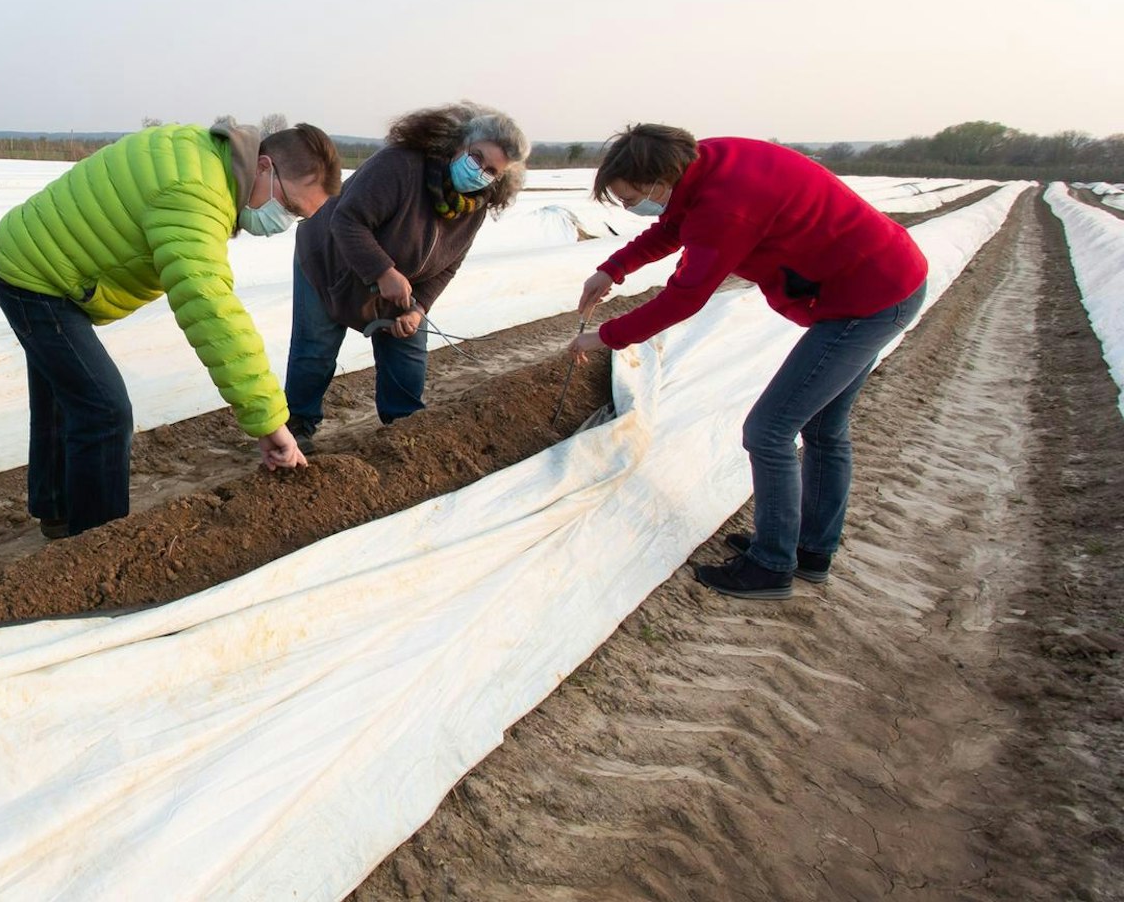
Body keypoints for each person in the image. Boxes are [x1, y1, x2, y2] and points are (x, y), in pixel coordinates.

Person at [570, 124, 929, 601]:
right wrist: (613, 268)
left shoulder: (727, 206)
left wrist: (606, 337)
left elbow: (685, 296)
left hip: (868, 300)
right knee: (823, 427)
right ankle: (810, 550)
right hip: (880, 280)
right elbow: (675, 226)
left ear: (658, 179)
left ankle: (771, 566)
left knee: (769, 430)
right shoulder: (706, 164)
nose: (630, 207)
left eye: (632, 198)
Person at [0, 121, 341, 538]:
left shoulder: (207, 158)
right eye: (291, 207)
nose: (285, 221)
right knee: (104, 410)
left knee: (65, 394)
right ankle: (99, 545)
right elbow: (211, 310)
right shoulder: (195, 191)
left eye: (298, 217)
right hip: (35, 277)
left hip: (41, 258)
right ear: (263, 167)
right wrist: (270, 422)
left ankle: (57, 510)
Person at [283, 103, 530, 448]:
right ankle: (298, 426)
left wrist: (418, 308)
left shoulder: (473, 207)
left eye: (491, 170)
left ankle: (403, 428)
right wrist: (384, 272)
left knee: (408, 347)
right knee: (316, 350)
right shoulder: (400, 165)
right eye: (476, 157)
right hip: (328, 260)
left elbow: (448, 264)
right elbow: (347, 221)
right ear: (458, 143)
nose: (479, 172)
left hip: (395, 280)